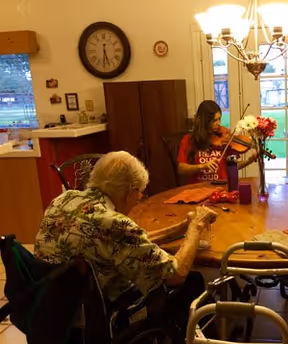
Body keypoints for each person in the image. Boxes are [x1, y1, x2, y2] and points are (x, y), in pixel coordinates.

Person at [34, 151, 217, 331]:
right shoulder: (115, 223)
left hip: (48, 304)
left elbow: (127, 241)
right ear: (129, 192)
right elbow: (175, 275)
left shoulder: (64, 199)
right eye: (140, 192)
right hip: (92, 316)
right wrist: (196, 227)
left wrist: (181, 227)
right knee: (192, 281)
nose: (140, 198)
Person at [177, 100, 257, 184]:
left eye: (219, 119)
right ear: (204, 121)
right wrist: (203, 166)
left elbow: (232, 167)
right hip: (198, 188)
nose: (218, 123)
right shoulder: (188, 140)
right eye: (214, 120)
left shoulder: (224, 141)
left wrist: (249, 161)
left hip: (221, 187)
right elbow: (181, 168)